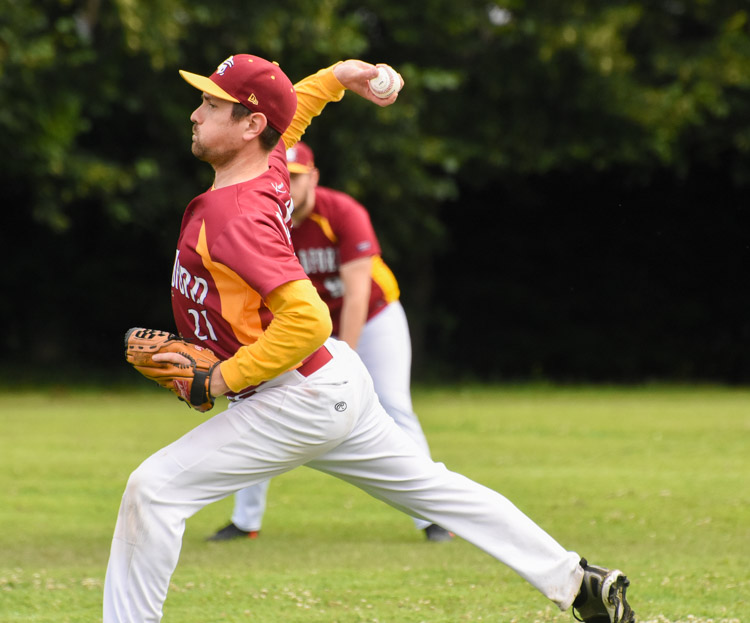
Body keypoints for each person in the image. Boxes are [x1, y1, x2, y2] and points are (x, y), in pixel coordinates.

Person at [103, 53, 636, 623]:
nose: (196, 113)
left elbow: (309, 320)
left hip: (293, 396)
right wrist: (338, 76)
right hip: (328, 381)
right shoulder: (270, 165)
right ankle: (577, 582)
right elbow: (293, 111)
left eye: (212, 105)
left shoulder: (236, 214)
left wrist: (220, 378)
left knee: (153, 489)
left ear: (251, 125)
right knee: (435, 489)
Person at [207, 140, 453, 543]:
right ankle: (245, 521)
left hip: (373, 317)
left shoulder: (342, 212)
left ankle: (434, 517)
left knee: (394, 405)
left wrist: (345, 360)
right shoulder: (265, 219)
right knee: (258, 401)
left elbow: (356, 294)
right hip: (302, 326)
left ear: (314, 178)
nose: (290, 184)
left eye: (298, 176)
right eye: (284, 176)